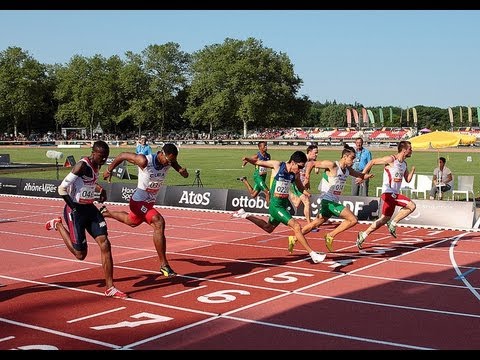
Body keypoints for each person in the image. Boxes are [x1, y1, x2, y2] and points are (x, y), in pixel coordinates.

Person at [44, 140, 127, 299]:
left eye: (106, 158)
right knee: (80, 255)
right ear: (93, 152)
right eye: (101, 157)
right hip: (75, 210)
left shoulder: (97, 165)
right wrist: (73, 207)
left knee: (105, 243)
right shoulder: (81, 166)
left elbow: (89, 183)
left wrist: (100, 189)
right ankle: (58, 225)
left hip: (89, 208)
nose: (103, 160)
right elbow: (61, 188)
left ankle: (110, 287)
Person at [100, 143, 189, 277]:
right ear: (161, 154)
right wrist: (109, 169)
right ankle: (164, 265)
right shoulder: (144, 160)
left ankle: (105, 212)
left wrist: (183, 172)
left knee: (132, 221)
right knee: (158, 222)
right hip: (138, 201)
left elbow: (184, 174)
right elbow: (123, 155)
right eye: (169, 160)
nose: (169, 163)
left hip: (149, 203)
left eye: (172, 161)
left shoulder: (170, 161)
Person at [232, 151, 326, 264]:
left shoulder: (294, 175)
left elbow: (300, 188)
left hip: (283, 204)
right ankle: (313, 254)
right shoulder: (278, 165)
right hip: (275, 205)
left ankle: (245, 214)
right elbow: (258, 161)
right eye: (300, 166)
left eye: (302, 167)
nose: (300, 170)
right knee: (296, 226)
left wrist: (307, 193)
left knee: (268, 228)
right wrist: (247, 158)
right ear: (293, 162)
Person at [288, 144, 374, 253]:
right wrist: (307, 178)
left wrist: (367, 176)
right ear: (344, 157)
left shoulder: (348, 170)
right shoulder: (332, 165)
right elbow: (311, 163)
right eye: (352, 158)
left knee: (314, 224)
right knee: (352, 219)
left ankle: (294, 238)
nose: (353, 161)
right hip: (328, 201)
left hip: (333, 201)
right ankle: (330, 235)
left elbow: (359, 175)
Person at [356, 140, 416, 250]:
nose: (412, 151)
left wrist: (412, 171)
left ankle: (363, 235)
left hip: (394, 194)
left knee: (383, 219)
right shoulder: (391, 159)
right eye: (410, 149)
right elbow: (372, 162)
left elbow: (407, 179)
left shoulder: (404, 164)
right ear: (403, 150)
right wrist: (362, 175)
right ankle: (393, 223)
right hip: (388, 193)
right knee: (411, 206)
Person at [289, 144, 319, 227]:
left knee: (296, 204)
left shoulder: (311, 161)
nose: (316, 155)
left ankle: (288, 193)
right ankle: (309, 224)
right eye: (315, 153)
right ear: (309, 152)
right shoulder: (302, 159)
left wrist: (307, 182)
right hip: (296, 183)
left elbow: (312, 172)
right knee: (306, 201)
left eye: (317, 153)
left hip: (302, 184)